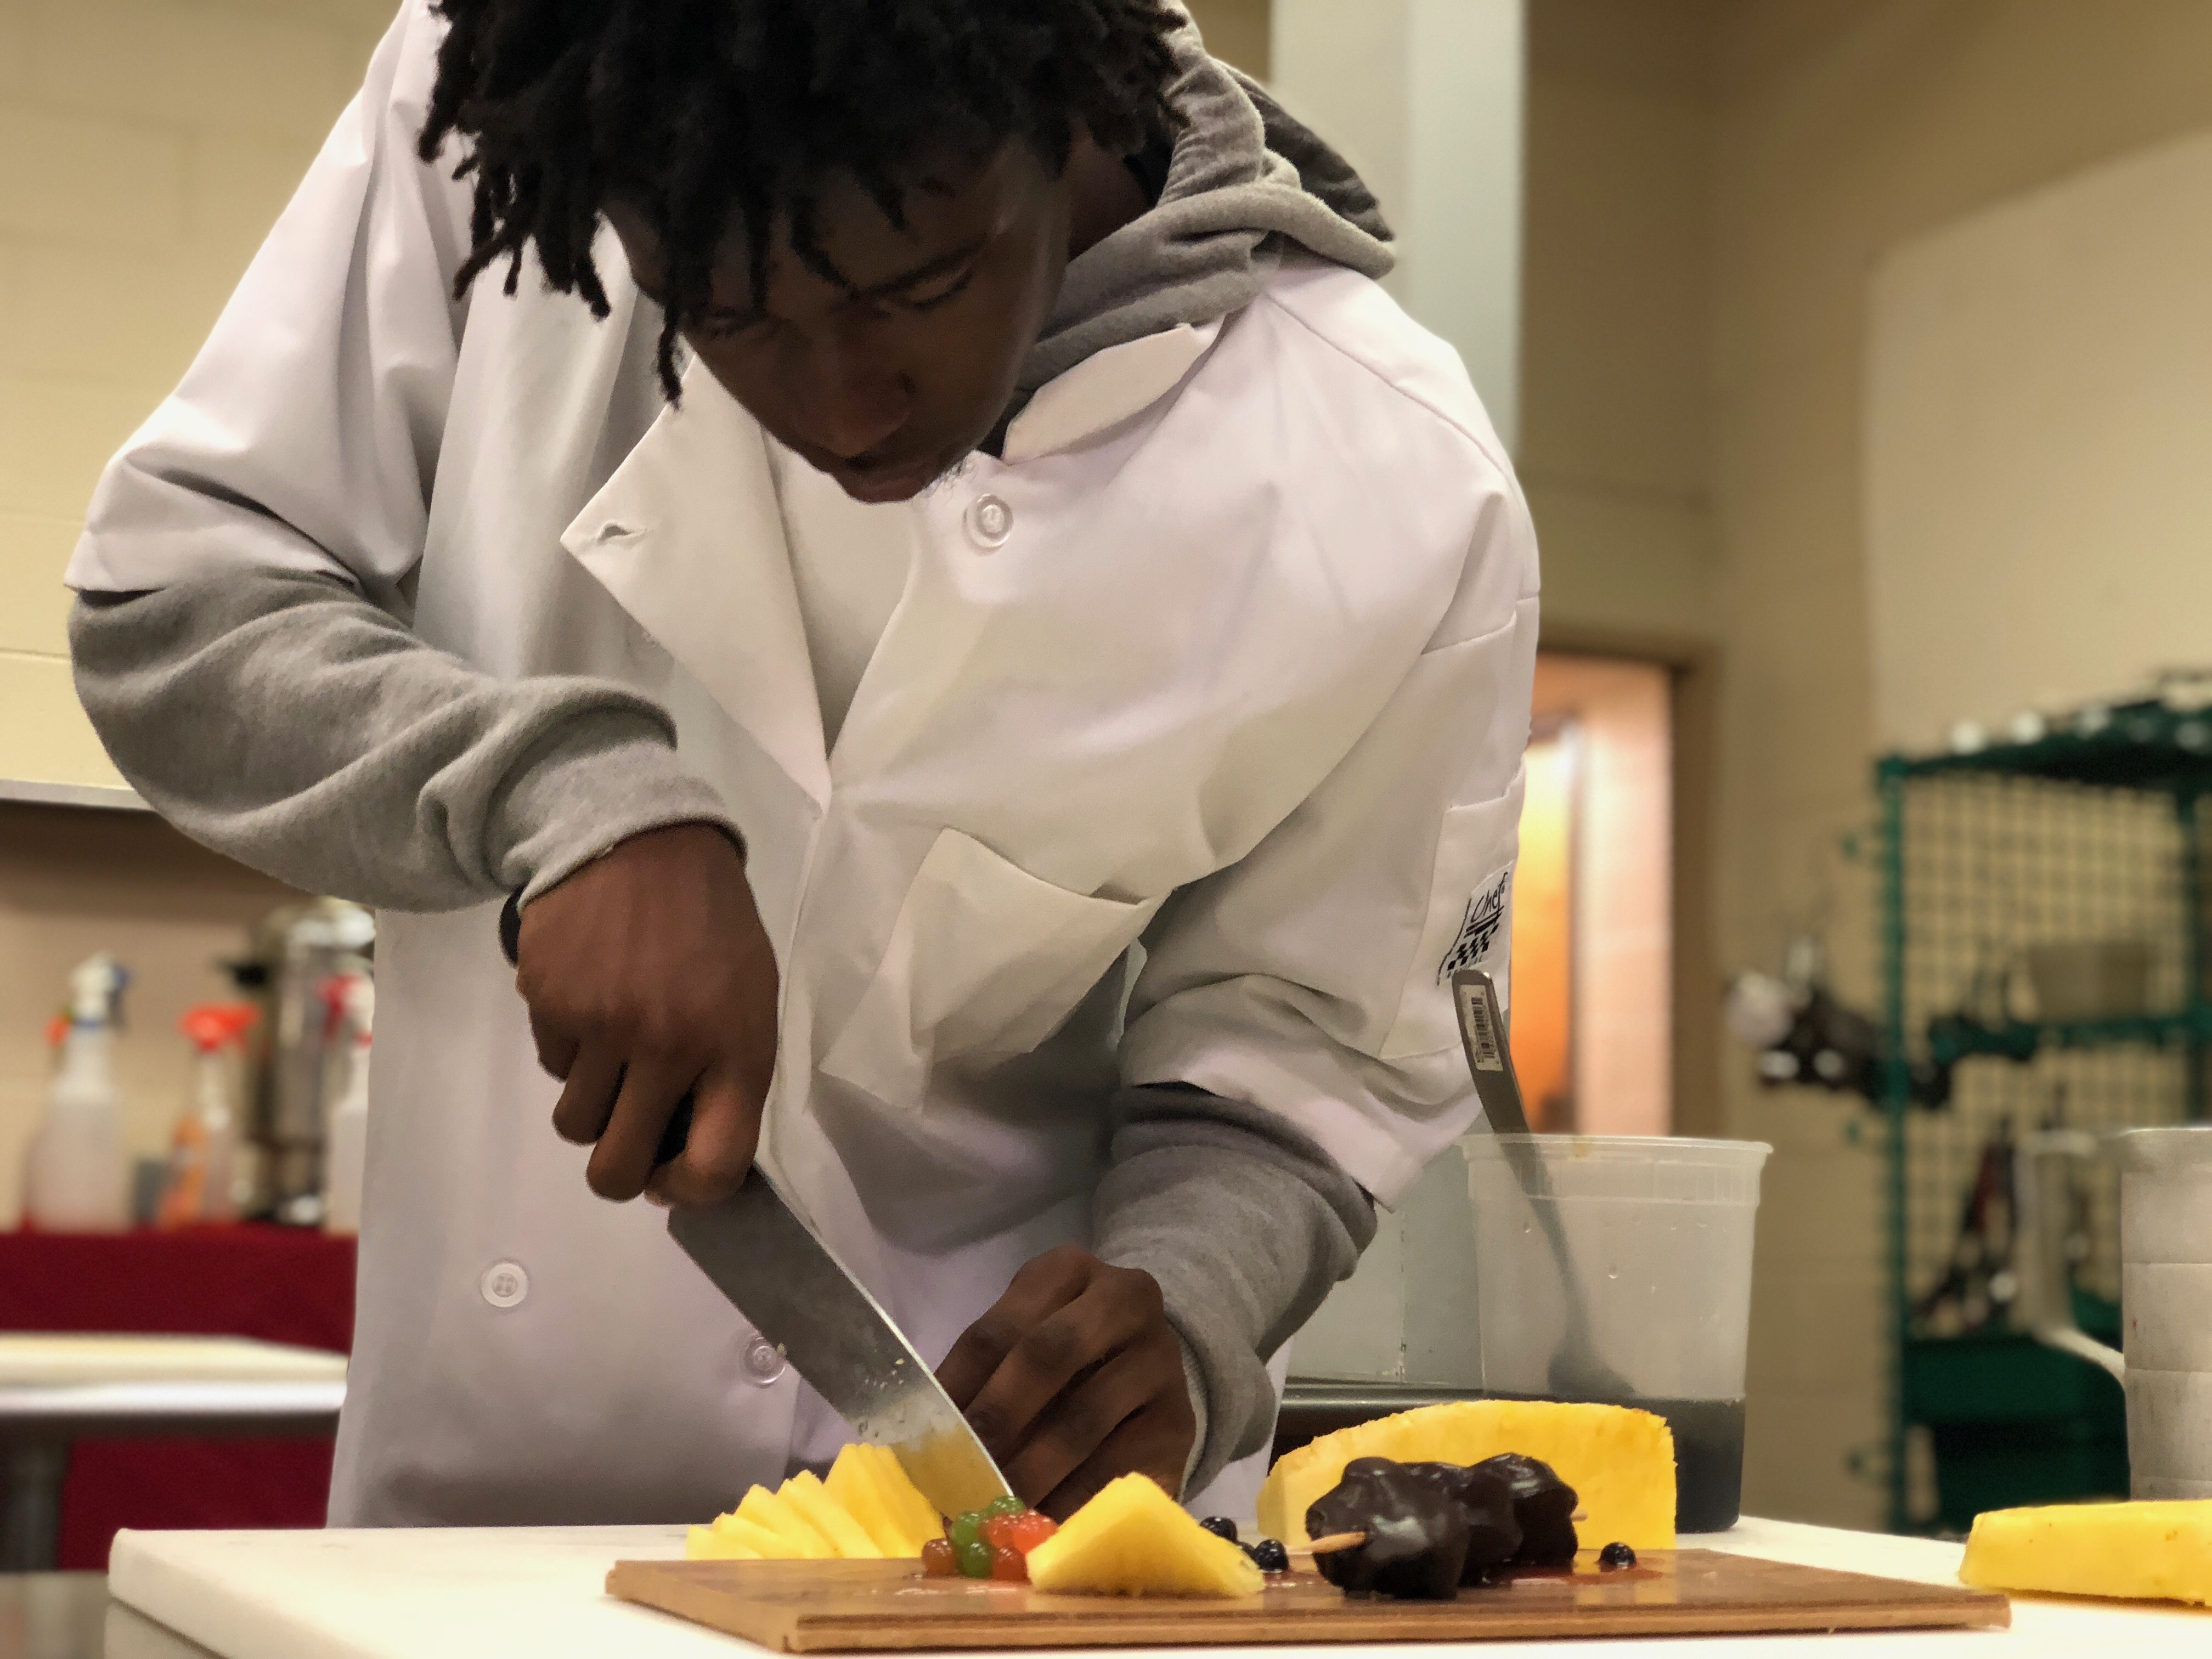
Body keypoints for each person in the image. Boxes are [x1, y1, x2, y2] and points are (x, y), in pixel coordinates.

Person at [67, 0, 1538, 1527]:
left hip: (990, 1520)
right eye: (725, 315)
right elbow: (171, 604)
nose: (842, 403)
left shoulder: (1395, 481)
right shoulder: (539, 124)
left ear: (1077, 130)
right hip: (492, 1522)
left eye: (923, 285)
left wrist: (1185, 1305)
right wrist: (553, 791)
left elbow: (1309, 1053)